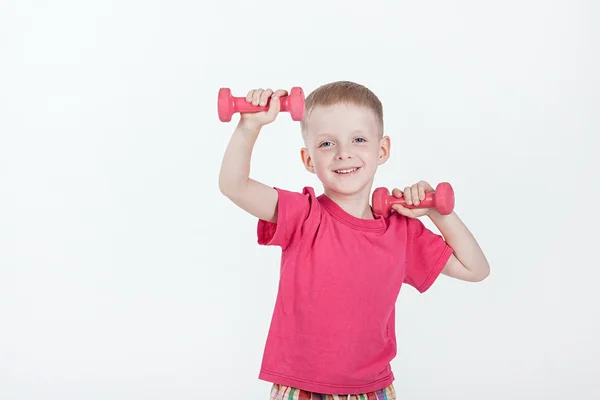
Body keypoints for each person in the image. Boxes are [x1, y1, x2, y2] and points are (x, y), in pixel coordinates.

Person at [218, 81, 490, 399]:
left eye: (358, 139)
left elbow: (476, 269)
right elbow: (233, 185)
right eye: (327, 144)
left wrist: (437, 213)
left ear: (382, 149)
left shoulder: (401, 230)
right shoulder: (303, 215)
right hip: (302, 386)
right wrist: (249, 126)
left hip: (372, 390)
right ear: (308, 160)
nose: (344, 153)